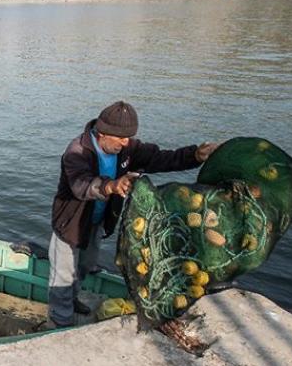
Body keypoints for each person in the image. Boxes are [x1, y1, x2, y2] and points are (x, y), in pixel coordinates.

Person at [49, 101, 218, 327]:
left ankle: (73, 299)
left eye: (128, 137)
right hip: (70, 224)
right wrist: (111, 186)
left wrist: (195, 155)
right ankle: (60, 322)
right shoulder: (77, 151)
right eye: (120, 137)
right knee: (63, 276)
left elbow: (161, 158)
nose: (126, 142)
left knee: (85, 266)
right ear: (101, 133)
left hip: (97, 222)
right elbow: (81, 185)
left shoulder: (127, 149)